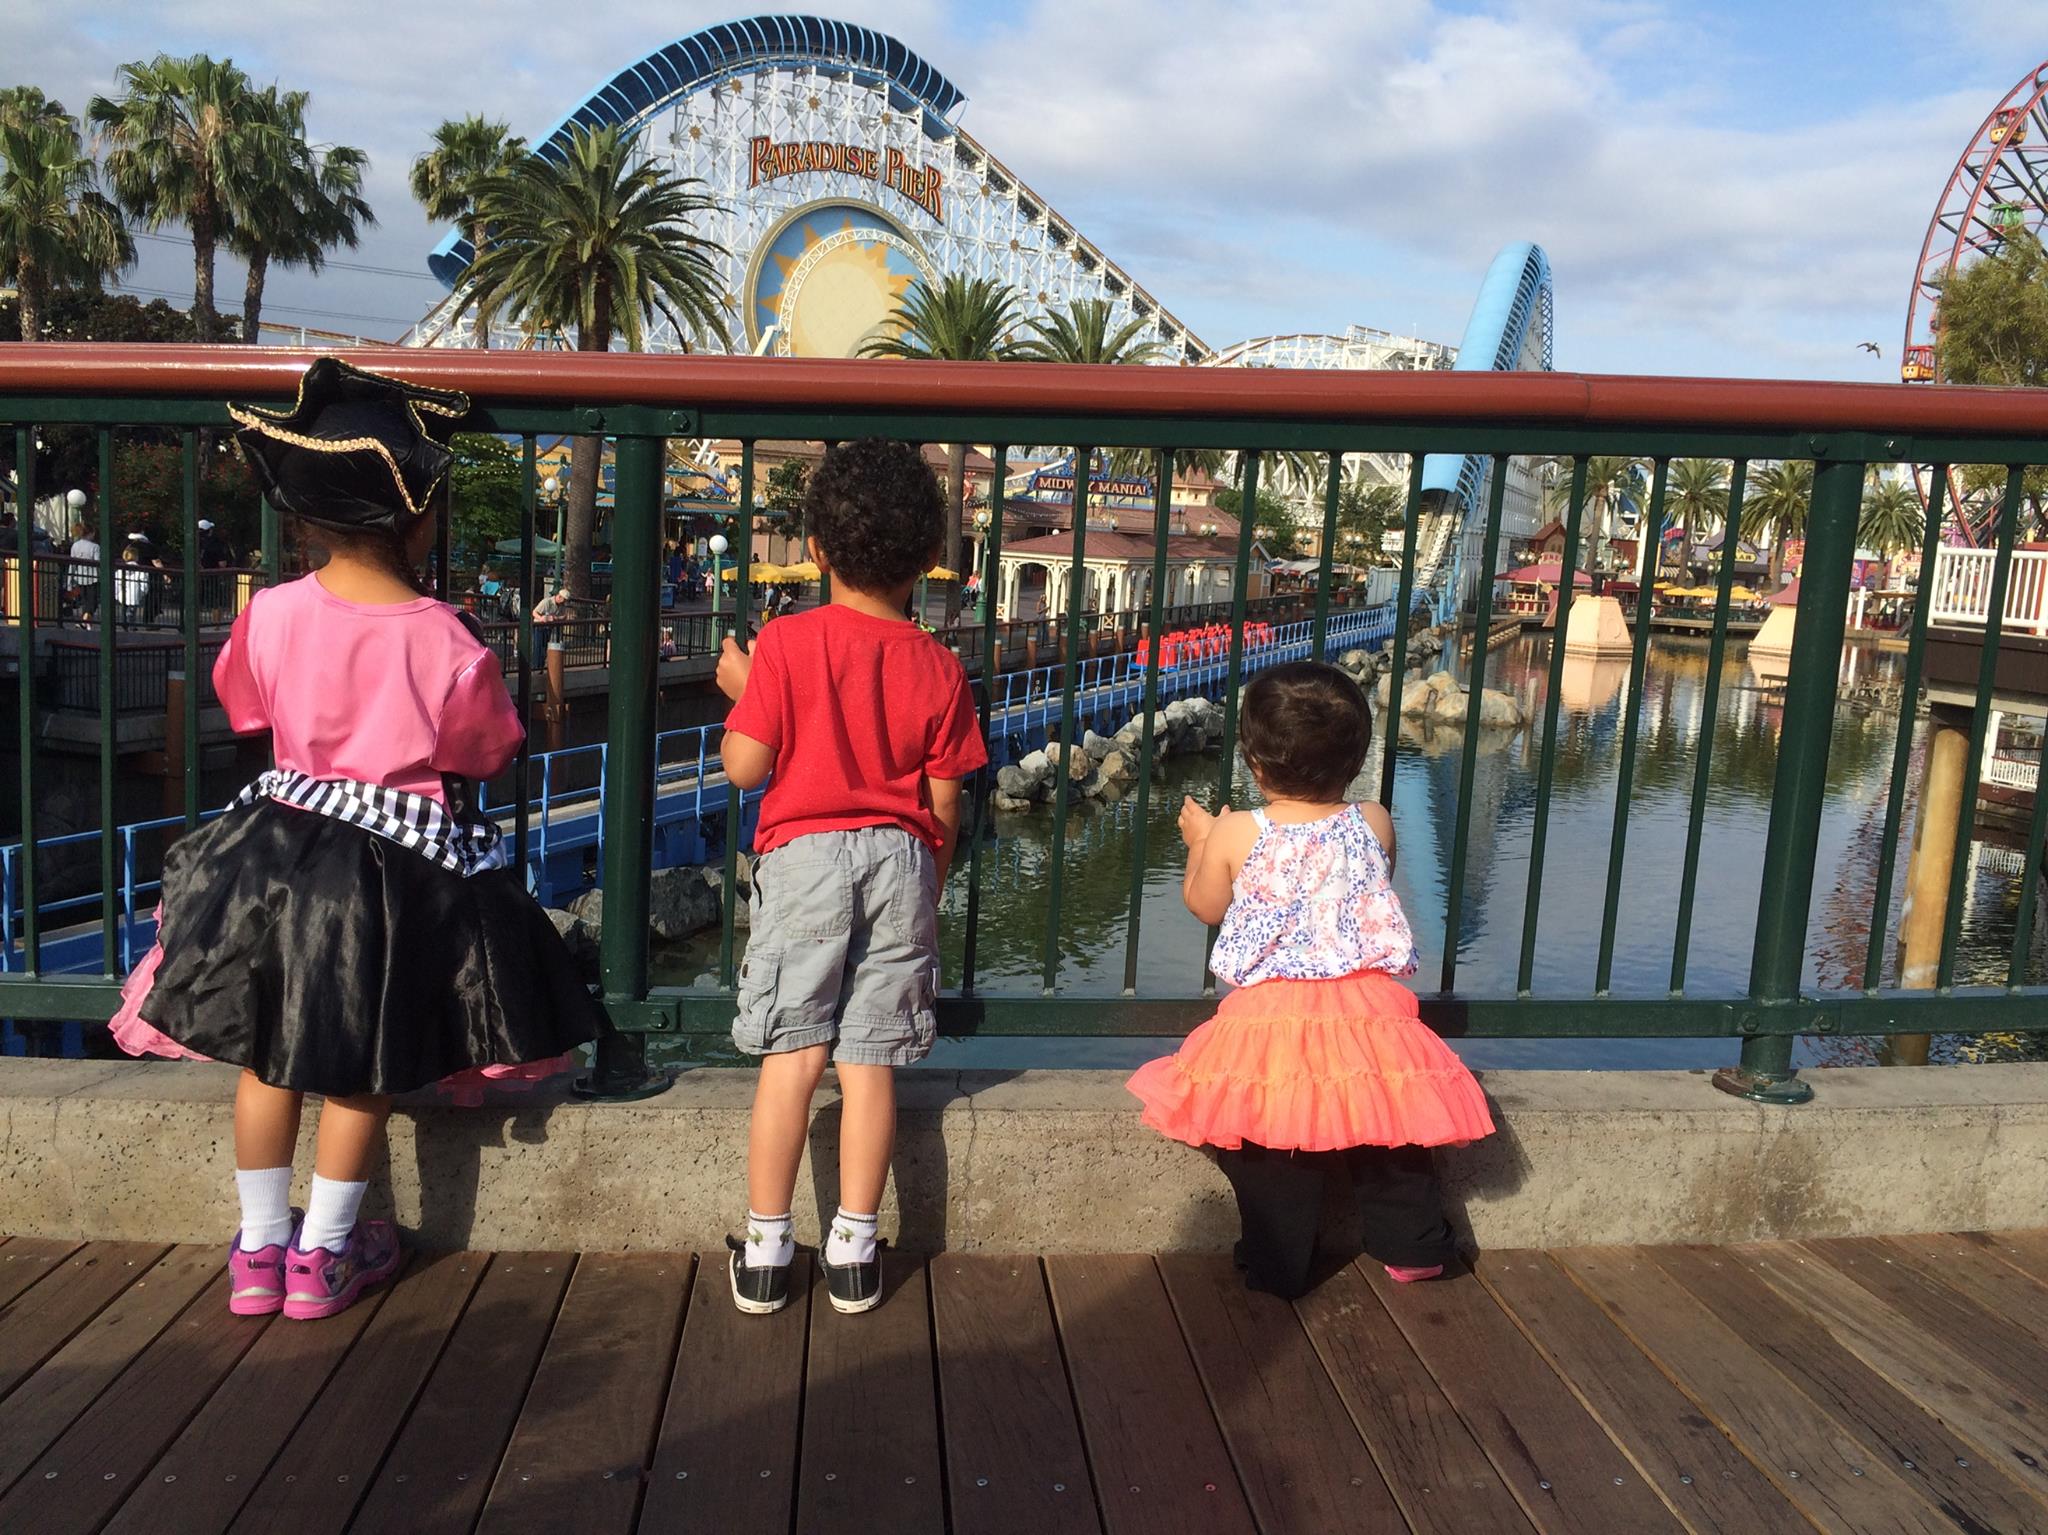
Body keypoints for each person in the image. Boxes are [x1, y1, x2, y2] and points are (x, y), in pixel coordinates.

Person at [106, 358, 604, 1321]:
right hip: (388, 869)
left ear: (305, 517)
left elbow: (243, 704)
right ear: (418, 519)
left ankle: (258, 1250)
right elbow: (486, 747)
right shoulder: (445, 637)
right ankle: (326, 1256)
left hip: (273, 846)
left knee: (265, 1058)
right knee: (358, 1063)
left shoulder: (271, 612)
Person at [715, 438, 987, 1317]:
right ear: (923, 559)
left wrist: (744, 688)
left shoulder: (787, 643)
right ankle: (856, 1251)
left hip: (805, 861)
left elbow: (745, 768)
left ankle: (764, 1249)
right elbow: (946, 806)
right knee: (870, 1064)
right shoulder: (940, 667)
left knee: (792, 1057)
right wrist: (929, 879)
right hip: (903, 860)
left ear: (819, 550)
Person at [1127, 661, 1494, 1299]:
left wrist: (1199, 841)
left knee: (1271, 1140)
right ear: (1354, 762)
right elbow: (1365, 880)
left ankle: (1277, 1261)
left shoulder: (1240, 830)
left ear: (1255, 763)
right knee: (1389, 1127)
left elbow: (1206, 906)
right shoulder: (1374, 819)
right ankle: (1416, 1248)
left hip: (1269, 1013)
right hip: (1368, 1006)